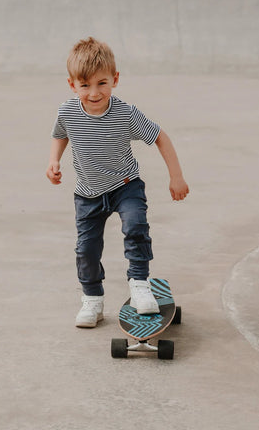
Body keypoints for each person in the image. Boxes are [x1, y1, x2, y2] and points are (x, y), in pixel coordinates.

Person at [46, 37, 189, 328]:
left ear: (115, 79)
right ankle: (93, 300)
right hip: (87, 193)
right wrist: (54, 161)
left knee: (135, 227)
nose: (95, 93)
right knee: (86, 249)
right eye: (85, 86)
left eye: (102, 83)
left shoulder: (126, 114)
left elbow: (160, 136)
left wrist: (176, 176)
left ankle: (139, 285)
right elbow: (61, 134)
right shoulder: (68, 112)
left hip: (126, 186)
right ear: (72, 85)